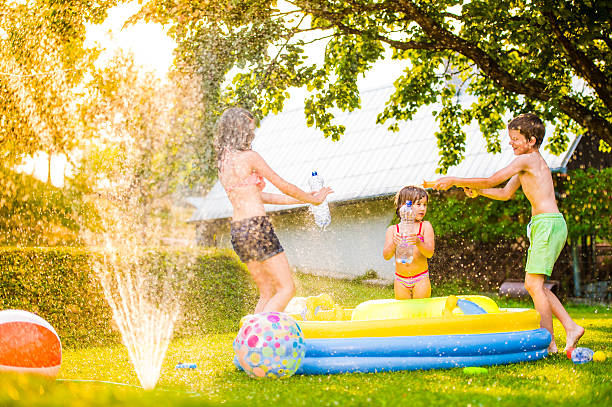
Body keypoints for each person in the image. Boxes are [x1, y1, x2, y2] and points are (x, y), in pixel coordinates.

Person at [431, 113, 584, 353]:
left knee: (533, 284)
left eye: (515, 138)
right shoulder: (527, 164)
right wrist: (477, 192)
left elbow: (492, 179)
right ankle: (570, 327)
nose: (510, 143)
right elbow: (504, 192)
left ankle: (548, 343)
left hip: (547, 224)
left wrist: (454, 179)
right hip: (545, 224)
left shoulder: (529, 160)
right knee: (537, 285)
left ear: (531, 141)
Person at [215, 107, 333, 313]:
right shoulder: (250, 157)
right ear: (241, 130)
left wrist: (306, 198)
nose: (252, 135)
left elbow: (263, 197)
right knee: (287, 289)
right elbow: (283, 184)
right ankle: (259, 338)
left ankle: (248, 342)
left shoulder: (223, 164)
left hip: (239, 232)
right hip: (257, 228)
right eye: (250, 130)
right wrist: (315, 201)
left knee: (267, 292)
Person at [382, 185, 435, 300]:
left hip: (420, 278)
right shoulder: (393, 230)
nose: (422, 208)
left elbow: (429, 253)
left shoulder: (425, 226)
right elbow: (386, 256)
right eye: (418, 204)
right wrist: (394, 244)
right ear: (404, 206)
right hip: (400, 280)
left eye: (425, 205)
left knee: (421, 310)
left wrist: (418, 242)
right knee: (404, 312)